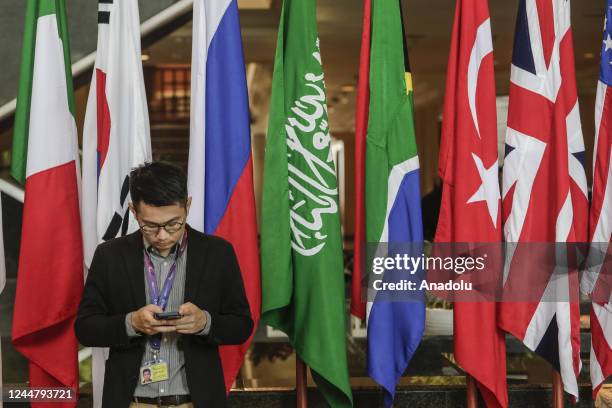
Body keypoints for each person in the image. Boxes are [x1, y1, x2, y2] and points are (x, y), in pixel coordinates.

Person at [75, 162, 253, 408]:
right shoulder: (110, 256)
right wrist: (131, 323)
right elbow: (85, 328)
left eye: (173, 224)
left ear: (187, 206)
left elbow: (242, 324)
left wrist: (205, 322)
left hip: (195, 401)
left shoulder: (217, 253)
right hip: (131, 402)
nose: (162, 236)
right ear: (134, 212)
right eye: (150, 225)